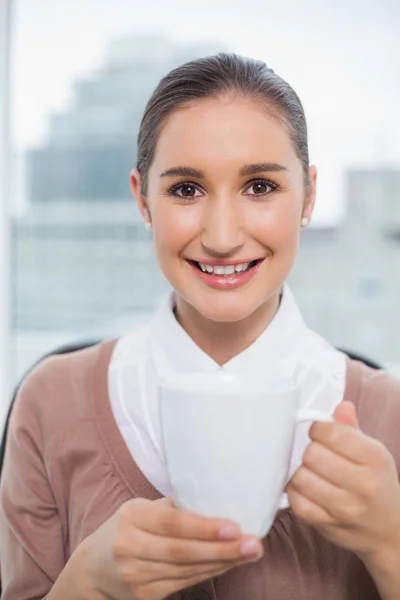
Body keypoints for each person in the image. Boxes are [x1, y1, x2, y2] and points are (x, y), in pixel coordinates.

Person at [1, 53, 400, 600]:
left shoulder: (390, 415)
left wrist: (390, 543)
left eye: (259, 187)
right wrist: (87, 583)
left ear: (309, 195)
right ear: (142, 199)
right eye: (186, 189)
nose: (222, 235)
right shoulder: (50, 403)